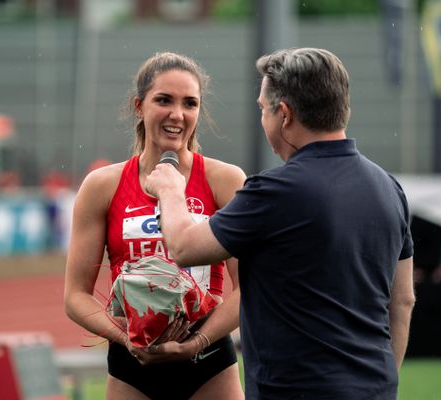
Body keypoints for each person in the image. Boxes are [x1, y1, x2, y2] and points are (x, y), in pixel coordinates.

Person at [141, 48, 416, 400]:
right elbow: (403, 299)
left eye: (261, 109)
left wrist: (169, 189)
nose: (262, 118)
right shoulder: (389, 188)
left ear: (283, 114)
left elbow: (183, 247)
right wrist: (381, 380)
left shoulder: (276, 191)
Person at [64, 52, 246, 400]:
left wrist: (195, 343)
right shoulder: (102, 186)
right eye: (164, 100)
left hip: (208, 364)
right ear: (139, 106)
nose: (177, 114)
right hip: (132, 365)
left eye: (190, 103)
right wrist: (128, 339)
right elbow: (74, 296)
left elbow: (248, 287)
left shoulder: (224, 180)